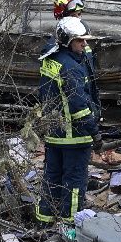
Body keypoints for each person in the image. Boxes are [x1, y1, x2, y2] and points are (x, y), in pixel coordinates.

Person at [36, 16, 100, 223]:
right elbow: (78, 106)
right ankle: (71, 226)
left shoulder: (50, 59)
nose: (85, 44)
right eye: (80, 40)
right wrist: (94, 131)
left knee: (52, 179)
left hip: (54, 134)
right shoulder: (71, 67)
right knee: (74, 183)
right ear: (68, 41)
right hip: (75, 136)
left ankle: (43, 223)